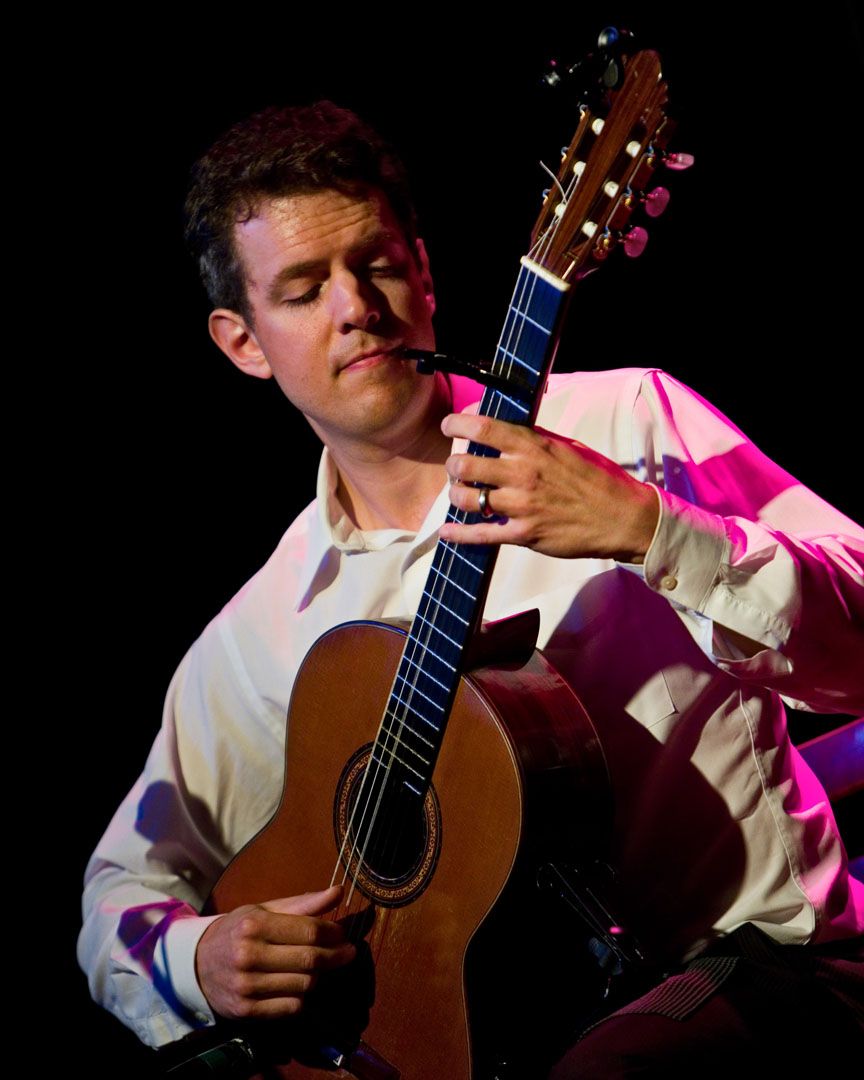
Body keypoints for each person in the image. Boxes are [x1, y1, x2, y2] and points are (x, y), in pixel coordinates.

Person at [79, 100, 863, 1072]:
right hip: (491, 1043)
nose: (355, 307)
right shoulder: (264, 632)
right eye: (303, 289)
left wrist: (650, 528)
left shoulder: (625, 426)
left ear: (423, 270)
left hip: (759, 977)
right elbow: (118, 890)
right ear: (244, 343)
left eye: (374, 264)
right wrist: (200, 959)